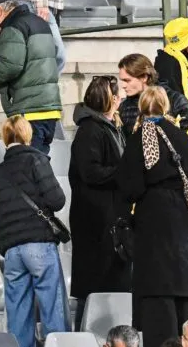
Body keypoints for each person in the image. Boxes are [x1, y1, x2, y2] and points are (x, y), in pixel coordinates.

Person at [120, 88, 188, 347]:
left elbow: (129, 188)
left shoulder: (138, 139)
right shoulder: (184, 139)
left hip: (153, 240)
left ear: (141, 108)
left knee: (159, 326)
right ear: (166, 106)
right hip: (186, 243)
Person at [0, 114, 67, 347]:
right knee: (53, 309)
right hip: (39, 243)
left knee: (18, 315)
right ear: (28, 134)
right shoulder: (36, 160)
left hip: (11, 249)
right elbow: (57, 200)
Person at [0, 0, 63, 155]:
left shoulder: (13, 27)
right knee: (40, 162)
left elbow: (10, 67)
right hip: (50, 110)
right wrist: (3, 55)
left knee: (25, 163)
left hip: (29, 111)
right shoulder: (39, 22)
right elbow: (40, 55)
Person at [69, 75, 129, 302]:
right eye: (118, 94)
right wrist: (124, 172)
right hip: (95, 220)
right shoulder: (90, 130)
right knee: (96, 285)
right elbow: (90, 172)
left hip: (111, 215)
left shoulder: (114, 127)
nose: (122, 97)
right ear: (111, 99)